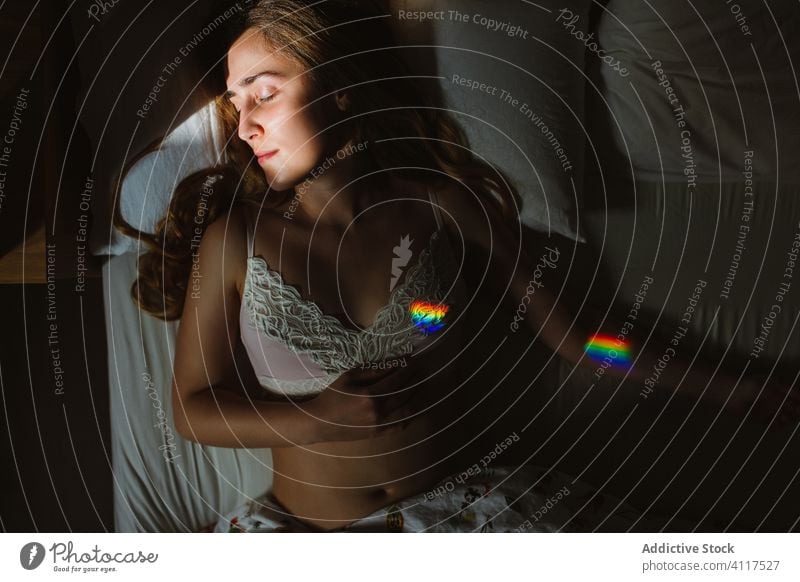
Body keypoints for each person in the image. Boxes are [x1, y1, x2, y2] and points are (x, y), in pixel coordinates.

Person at [121, 0, 797, 532]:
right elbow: (191, 407)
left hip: (465, 521)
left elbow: (585, 339)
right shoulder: (234, 239)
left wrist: (746, 392)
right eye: (235, 104)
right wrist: (320, 417)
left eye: (263, 94)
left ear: (341, 88)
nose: (243, 126)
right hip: (306, 532)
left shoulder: (443, 209)